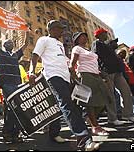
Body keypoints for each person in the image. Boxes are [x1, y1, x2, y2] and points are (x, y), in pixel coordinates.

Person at [29, 20, 100, 151]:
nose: (61, 31)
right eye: (58, 28)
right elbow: (34, 56)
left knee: (62, 106)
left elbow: (63, 60)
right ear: (50, 29)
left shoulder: (60, 44)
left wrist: (72, 73)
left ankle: (53, 134)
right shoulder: (44, 40)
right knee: (67, 105)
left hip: (66, 78)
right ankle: (84, 139)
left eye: (62, 29)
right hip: (53, 76)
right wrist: (31, 72)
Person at [0, 14, 29, 143]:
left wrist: (27, 31)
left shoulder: (16, 55)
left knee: (16, 109)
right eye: (8, 42)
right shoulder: (0, 53)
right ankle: (7, 133)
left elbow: (25, 44)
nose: (10, 43)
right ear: (4, 45)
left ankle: (14, 134)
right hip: (6, 85)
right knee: (11, 108)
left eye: (12, 42)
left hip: (17, 85)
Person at [91, 28, 134, 125]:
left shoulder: (107, 45)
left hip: (117, 72)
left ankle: (129, 115)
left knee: (126, 92)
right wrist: (100, 71)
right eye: (105, 33)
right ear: (99, 35)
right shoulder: (96, 43)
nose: (106, 35)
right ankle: (112, 118)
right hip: (107, 72)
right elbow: (95, 57)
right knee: (110, 96)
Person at [69, 32, 109, 136]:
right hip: (85, 75)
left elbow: (94, 64)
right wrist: (75, 78)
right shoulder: (77, 48)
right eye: (82, 37)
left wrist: (101, 74)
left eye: (85, 36)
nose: (85, 38)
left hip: (96, 76)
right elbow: (72, 64)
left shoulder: (88, 50)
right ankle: (95, 126)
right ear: (77, 40)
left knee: (105, 98)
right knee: (90, 102)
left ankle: (89, 118)